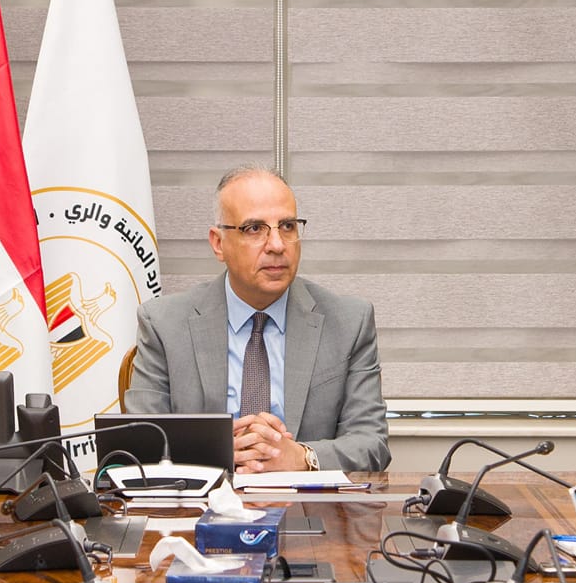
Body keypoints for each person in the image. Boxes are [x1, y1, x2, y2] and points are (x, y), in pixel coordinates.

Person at [125, 166, 390, 473]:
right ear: (218, 243)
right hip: (206, 500)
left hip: (308, 501)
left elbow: (371, 444)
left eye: (287, 226)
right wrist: (216, 455)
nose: (277, 245)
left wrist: (302, 457)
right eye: (254, 228)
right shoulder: (163, 324)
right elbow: (140, 445)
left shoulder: (349, 323)